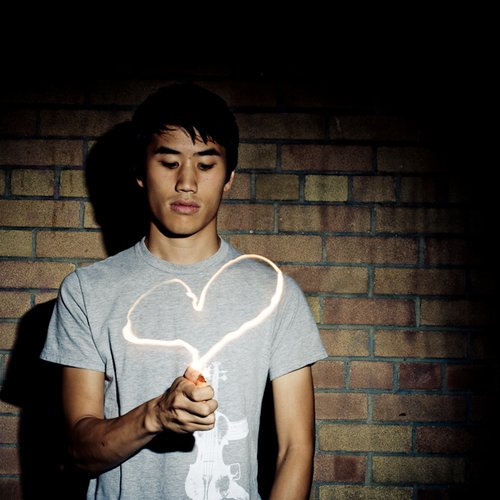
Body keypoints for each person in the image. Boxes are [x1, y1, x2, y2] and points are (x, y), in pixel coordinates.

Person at [40, 82, 327, 499]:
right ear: (140, 171)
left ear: (229, 177)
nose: (187, 182)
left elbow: (294, 450)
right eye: (169, 162)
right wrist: (155, 415)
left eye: (205, 165)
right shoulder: (87, 292)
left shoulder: (276, 294)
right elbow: (79, 450)